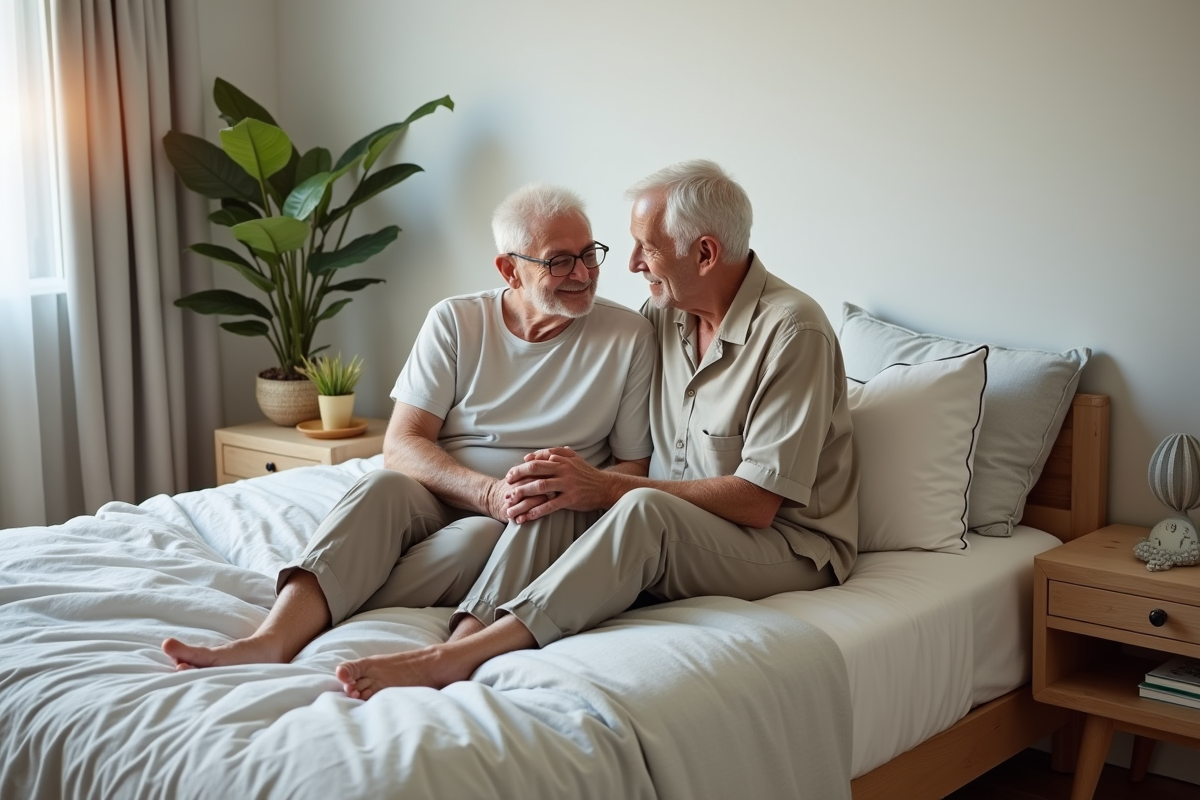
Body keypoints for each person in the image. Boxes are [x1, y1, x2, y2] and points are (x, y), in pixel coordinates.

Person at [334, 159, 859, 700]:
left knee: (636, 508)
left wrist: (608, 486)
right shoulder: (665, 316)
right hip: (687, 526)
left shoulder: (795, 331)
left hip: (786, 544)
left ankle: (456, 657)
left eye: (646, 248)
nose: (629, 264)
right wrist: (569, 481)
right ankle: (468, 627)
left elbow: (758, 503)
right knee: (559, 492)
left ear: (704, 254)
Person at [161, 183, 655, 671]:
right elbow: (401, 444)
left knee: (476, 541)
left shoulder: (628, 335)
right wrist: (486, 494)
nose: (584, 273)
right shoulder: (457, 320)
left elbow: (633, 463)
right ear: (510, 270)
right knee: (381, 485)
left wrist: (546, 492)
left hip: (531, 518)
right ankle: (271, 638)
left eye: (590, 254)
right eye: (559, 260)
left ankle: (434, 642)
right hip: (442, 490)